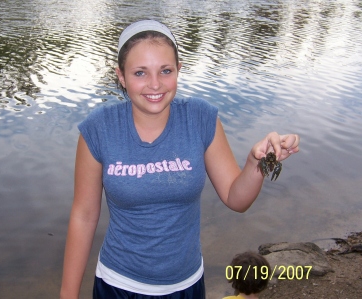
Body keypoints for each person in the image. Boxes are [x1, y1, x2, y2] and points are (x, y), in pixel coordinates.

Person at [59, 20, 300, 299]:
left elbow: (237, 199)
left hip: (185, 286)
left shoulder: (200, 118)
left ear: (178, 70)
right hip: (118, 285)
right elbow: (84, 216)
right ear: (121, 76)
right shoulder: (98, 129)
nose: (155, 84)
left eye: (165, 70)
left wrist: (256, 162)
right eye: (140, 73)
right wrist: (68, 293)